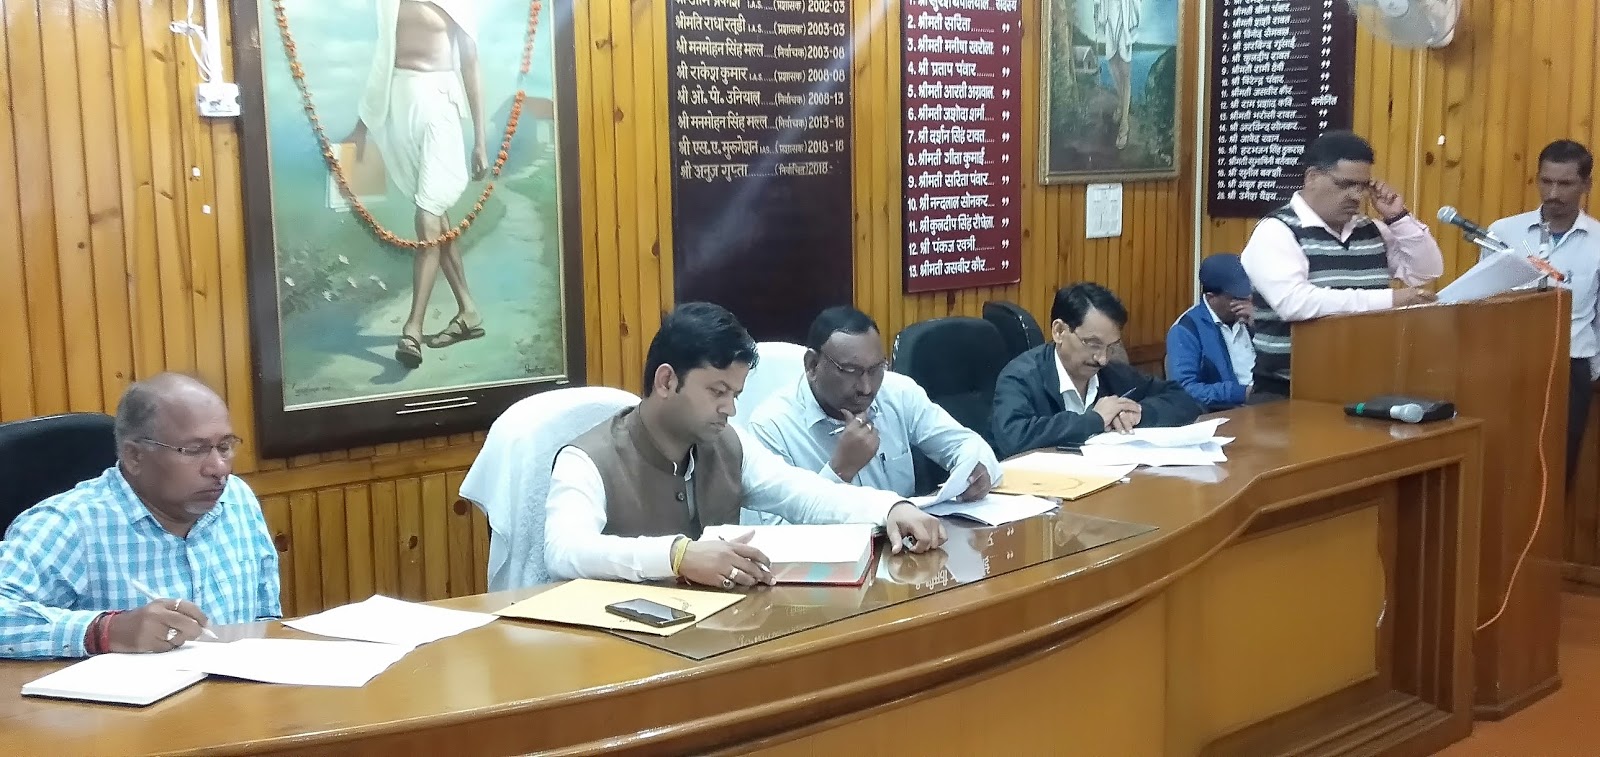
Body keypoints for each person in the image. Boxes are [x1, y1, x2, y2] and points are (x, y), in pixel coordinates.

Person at [544, 302, 948, 588]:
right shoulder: (585, 460)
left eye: (735, 393)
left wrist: (890, 507)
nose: (730, 409)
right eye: (718, 392)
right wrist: (678, 556)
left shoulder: (727, 444)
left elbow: (805, 494)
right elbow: (564, 551)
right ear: (666, 381)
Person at [0, 374, 281, 659]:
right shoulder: (69, 525)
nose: (219, 468)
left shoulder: (237, 498)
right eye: (194, 450)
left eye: (225, 447)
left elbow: (265, 618)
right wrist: (106, 631)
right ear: (134, 456)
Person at [1241, 130, 1444, 398]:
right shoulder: (1276, 231)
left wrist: (1399, 218)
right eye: (1345, 184)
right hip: (1289, 392)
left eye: (1362, 186)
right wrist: (1389, 300)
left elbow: (1425, 271)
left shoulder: (1371, 230)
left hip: (1364, 384)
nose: (1356, 196)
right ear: (1312, 177)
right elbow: (1295, 303)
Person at [347, 0, 489, 369]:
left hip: (440, 107)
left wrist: (480, 141)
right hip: (400, 106)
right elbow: (382, 61)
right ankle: (468, 310)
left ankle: (412, 329)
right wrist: (361, 127)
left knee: (427, 217)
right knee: (436, 216)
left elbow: (470, 64)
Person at [748, 306, 1000, 499]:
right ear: (812, 365)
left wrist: (975, 470)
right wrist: (840, 471)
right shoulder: (772, 427)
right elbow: (775, 532)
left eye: (876, 369)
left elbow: (966, 444)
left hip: (905, 543)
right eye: (850, 371)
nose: (866, 388)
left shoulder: (898, 393)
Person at [1487, 139, 1600, 483]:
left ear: (1586, 185)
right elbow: (1484, 300)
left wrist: (1592, 371)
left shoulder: (1598, 241)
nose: (1553, 193)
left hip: (1570, 365)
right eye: (1546, 181)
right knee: (1502, 464)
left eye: (1565, 184)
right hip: (1509, 363)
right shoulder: (1504, 232)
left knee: (1557, 467)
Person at [991, 283, 1204, 458]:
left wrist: (1139, 413)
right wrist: (1095, 420)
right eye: (1093, 344)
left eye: (1112, 347)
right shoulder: (1020, 376)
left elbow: (1183, 400)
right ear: (1059, 331)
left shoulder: (1111, 373)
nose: (1102, 359)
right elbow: (1013, 437)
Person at [1166, 254, 1256, 411]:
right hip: (1226, 412)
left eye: (1246, 295)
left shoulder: (1252, 317)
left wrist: (1259, 327)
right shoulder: (1185, 329)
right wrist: (1241, 393)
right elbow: (1184, 389)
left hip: (1264, 402)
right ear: (1211, 297)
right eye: (1235, 298)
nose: (1244, 301)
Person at [1095, 0, 1141, 149]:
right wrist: (1098, 14)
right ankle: (1122, 103)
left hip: (1125, 17)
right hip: (1109, 19)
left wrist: (1134, 24)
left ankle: (1125, 123)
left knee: (1125, 73)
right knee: (1112, 64)